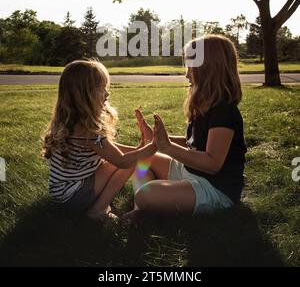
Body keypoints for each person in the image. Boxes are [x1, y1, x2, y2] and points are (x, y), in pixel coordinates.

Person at [132, 35, 247, 216]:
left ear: (208, 68)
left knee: (146, 195)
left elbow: (212, 163)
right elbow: (193, 144)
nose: (186, 74)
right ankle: (140, 210)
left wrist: (168, 148)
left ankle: (146, 204)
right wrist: (158, 140)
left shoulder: (224, 111)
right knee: (143, 159)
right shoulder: (204, 104)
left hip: (214, 188)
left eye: (190, 67)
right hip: (190, 172)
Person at [42, 59, 156, 221]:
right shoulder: (88, 130)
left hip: (61, 192)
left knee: (128, 159)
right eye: (102, 89)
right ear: (85, 95)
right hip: (75, 195)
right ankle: (98, 209)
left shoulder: (71, 121)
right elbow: (121, 161)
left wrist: (137, 149)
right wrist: (153, 147)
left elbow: (110, 148)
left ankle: (96, 204)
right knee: (133, 163)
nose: (107, 93)